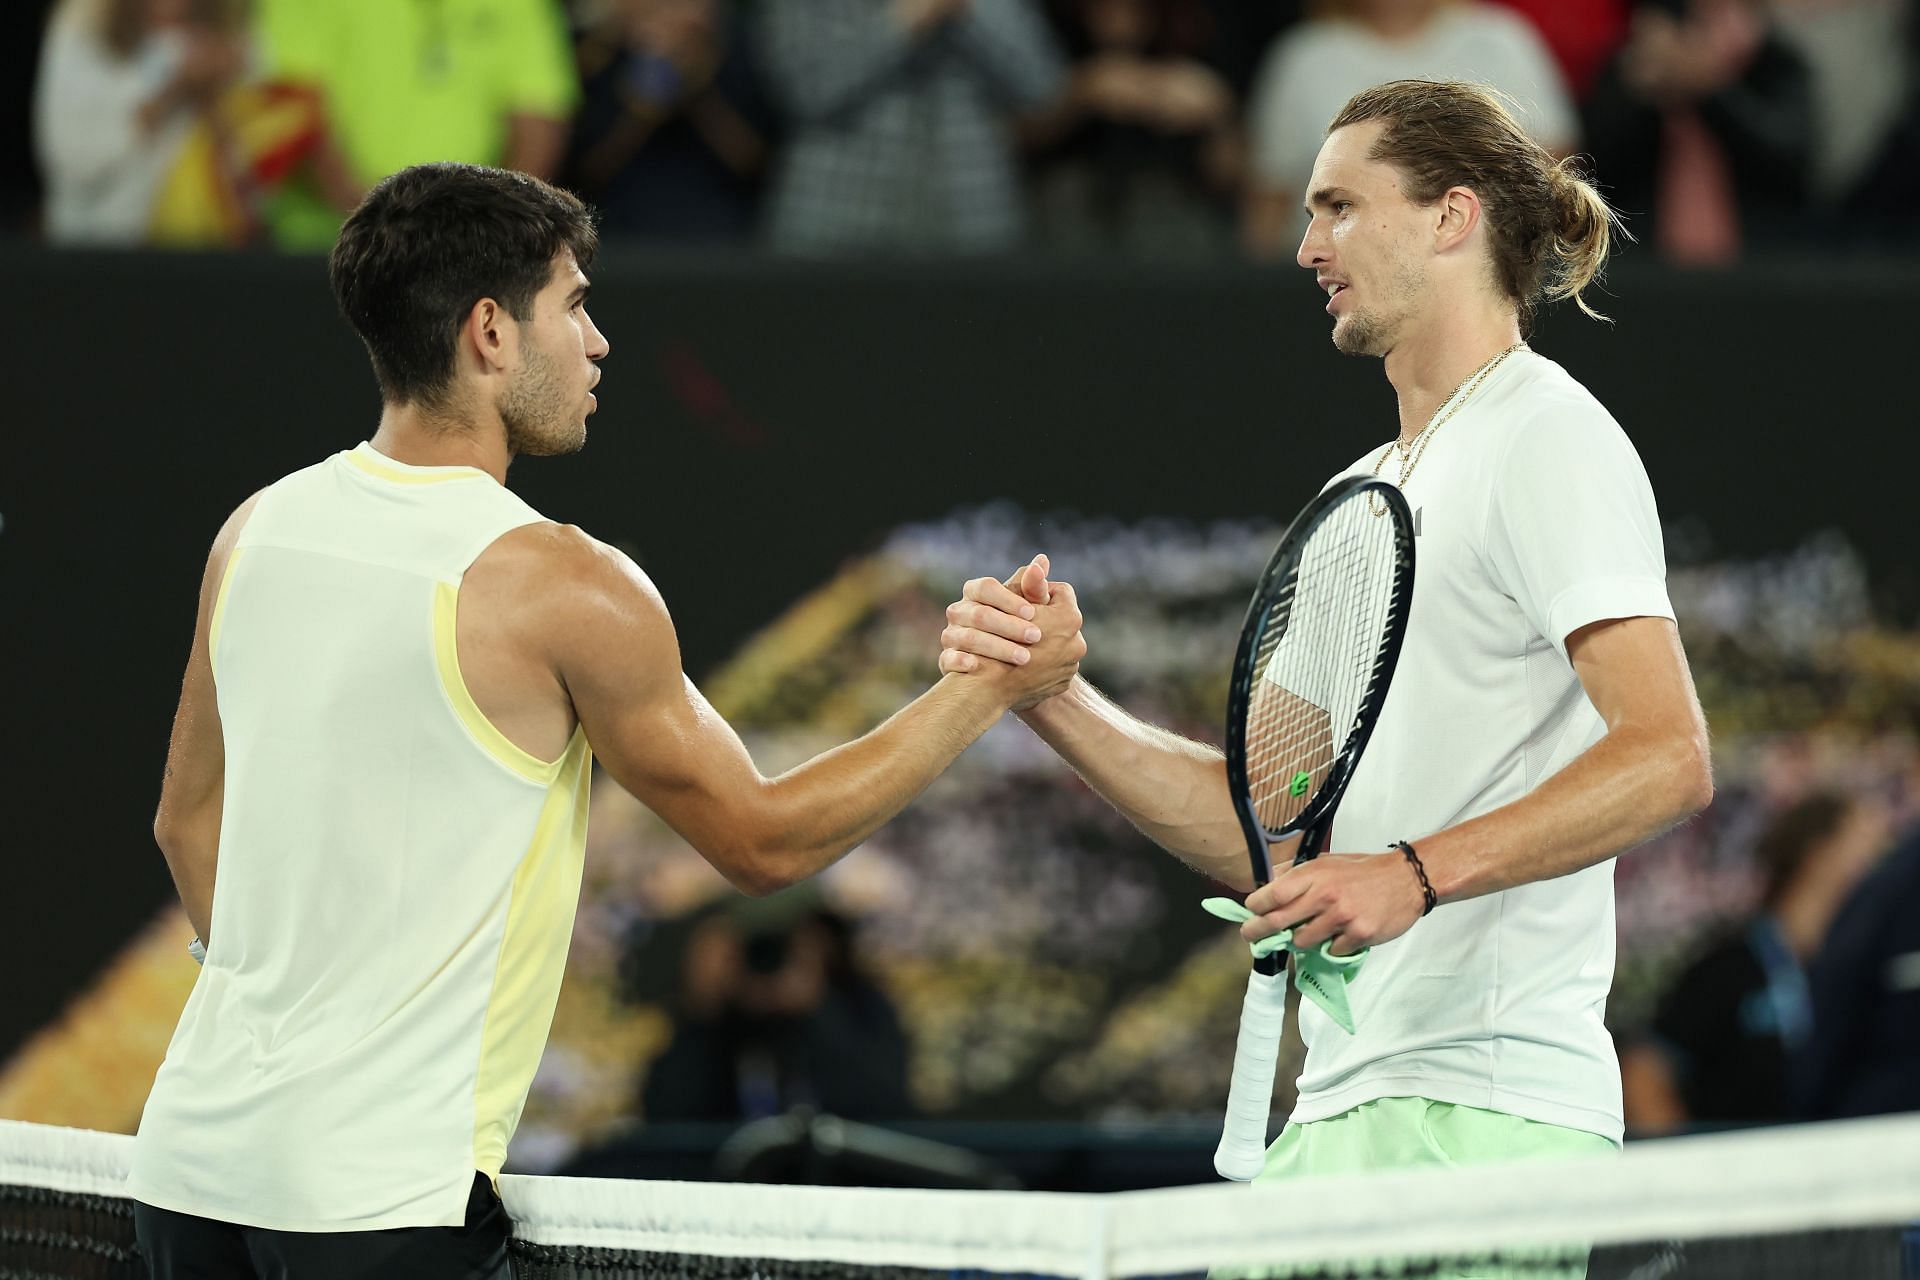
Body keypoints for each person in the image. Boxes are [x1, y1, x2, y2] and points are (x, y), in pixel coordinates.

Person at [126, 162, 1083, 1277]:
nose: (599, 341)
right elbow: (764, 839)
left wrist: (287, 996)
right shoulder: (564, 583)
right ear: (490, 333)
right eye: (573, 304)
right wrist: (989, 685)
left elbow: (186, 822)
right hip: (376, 1207)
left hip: (191, 1175)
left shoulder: (258, 529)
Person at [942, 79, 1713, 1184]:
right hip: (1339, 1118)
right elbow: (1273, 840)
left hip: (1487, 1118)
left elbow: (1670, 756)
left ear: (1452, 218)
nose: (1307, 244)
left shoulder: (1546, 435)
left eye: (1340, 206)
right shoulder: (1360, 498)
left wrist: (1413, 870)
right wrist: (1052, 695)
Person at [1619, 792, 1888, 1134]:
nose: (1881, 865)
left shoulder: (1854, 971)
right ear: (1819, 852)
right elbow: (1645, 1070)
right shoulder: (1728, 967)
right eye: (1868, 845)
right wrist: (1688, 1168)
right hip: (1738, 1172)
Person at [1242, 1, 1576, 259]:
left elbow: (1553, 174)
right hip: (1332, 290)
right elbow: (1269, 204)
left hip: (1481, 280)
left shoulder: (1501, 41)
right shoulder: (1304, 57)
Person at [248, 0, 581, 250]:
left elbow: (541, 117)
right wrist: (381, 227)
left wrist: (491, 224)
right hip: (324, 247)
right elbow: (292, 105)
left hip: (466, 256)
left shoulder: (523, 7)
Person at [755, 0, 1066, 255]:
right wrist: (905, 19)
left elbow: (1042, 90)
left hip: (970, 224)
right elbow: (804, 89)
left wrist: (969, 10)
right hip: (836, 225)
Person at [1582, 0, 1813, 265]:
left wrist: (1709, 89)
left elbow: (1790, 168)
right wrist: (1645, 89)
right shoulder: (1632, 63)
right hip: (1643, 270)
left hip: (1761, 268)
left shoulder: (1776, 63)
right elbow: (1596, 173)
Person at [565, 0, 774, 244]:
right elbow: (586, 171)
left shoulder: (736, 52)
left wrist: (696, 88)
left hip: (720, 239)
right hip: (623, 238)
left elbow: (757, 162)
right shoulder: (598, 55)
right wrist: (643, 108)